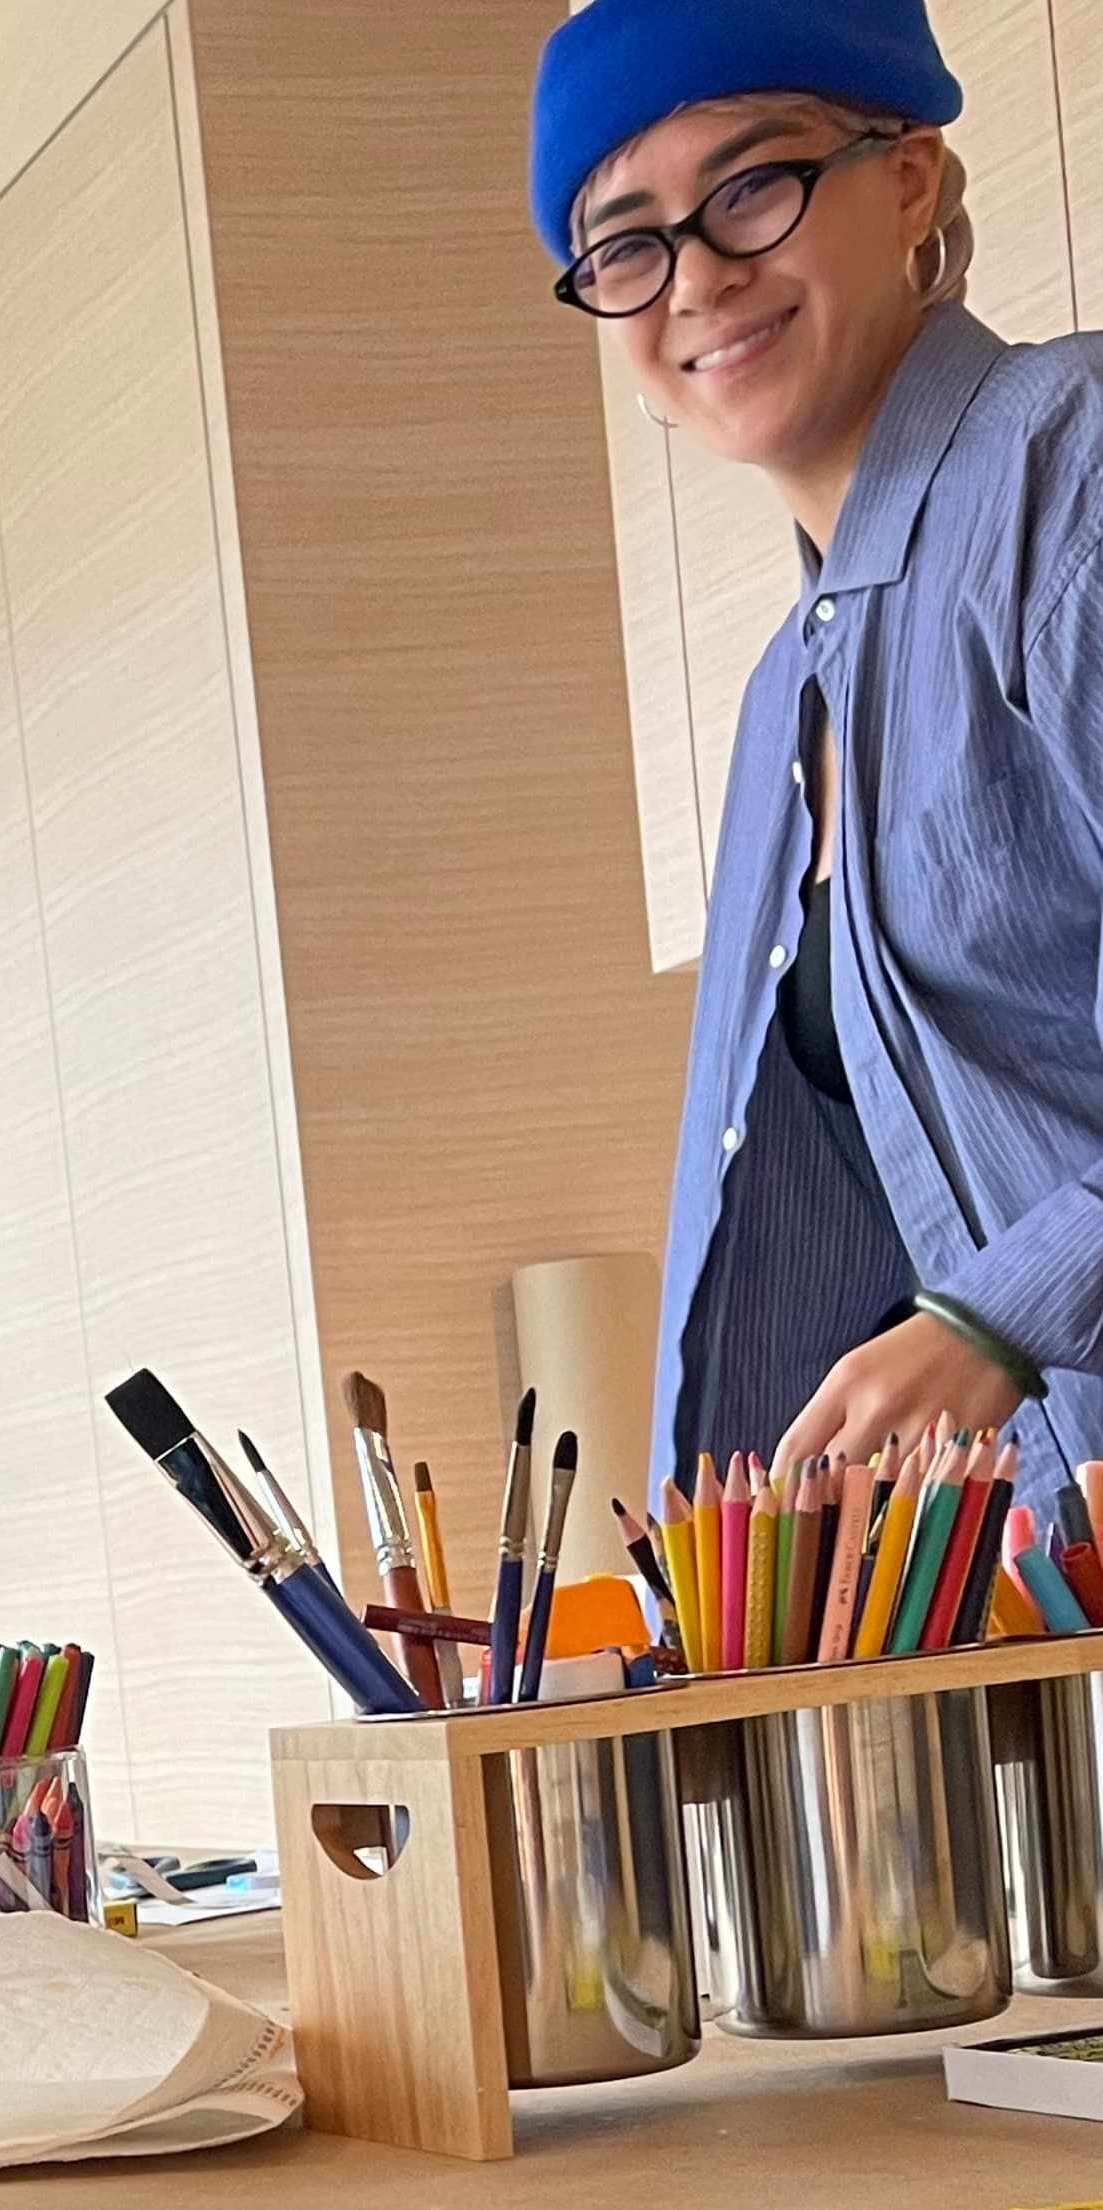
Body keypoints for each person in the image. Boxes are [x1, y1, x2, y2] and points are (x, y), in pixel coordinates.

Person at [532, 0, 1103, 1498]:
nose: (699, 280)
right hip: (1035, 1598)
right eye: (628, 245)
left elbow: (978, 1307)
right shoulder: (791, 692)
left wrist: (1004, 1309)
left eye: (751, 188)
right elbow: (788, 1240)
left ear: (909, 176)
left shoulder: (1076, 465)